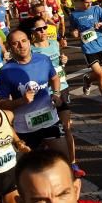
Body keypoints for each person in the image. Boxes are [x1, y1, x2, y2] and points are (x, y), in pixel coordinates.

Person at [0, 30, 72, 176]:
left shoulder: (43, 59)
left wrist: (56, 94)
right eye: (15, 43)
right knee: (29, 171)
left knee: (63, 161)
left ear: (29, 42)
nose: (21, 45)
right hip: (25, 128)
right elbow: (2, 103)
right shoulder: (6, 71)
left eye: (24, 41)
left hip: (49, 120)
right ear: (10, 47)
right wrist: (21, 101)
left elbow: (55, 78)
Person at [27, 16, 82, 176]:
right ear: (32, 32)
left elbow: (59, 64)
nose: (43, 31)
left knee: (67, 127)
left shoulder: (54, 43)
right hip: (44, 93)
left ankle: (72, 163)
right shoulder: (31, 50)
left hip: (62, 88)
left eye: (44, 28)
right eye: (39, 29)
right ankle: (48, 161)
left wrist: (63, 59)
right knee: (46, 129)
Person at [67, 0, 102, 98]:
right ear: (80, 1)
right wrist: (73, 33)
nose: (89, 5)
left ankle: (88, 80)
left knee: (99, 74)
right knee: (101, 74)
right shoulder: (74, 15)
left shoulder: (97, 9)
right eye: (86, 2)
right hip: (88, 48)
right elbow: (73, 31)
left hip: (101, 45)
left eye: (91, 2)